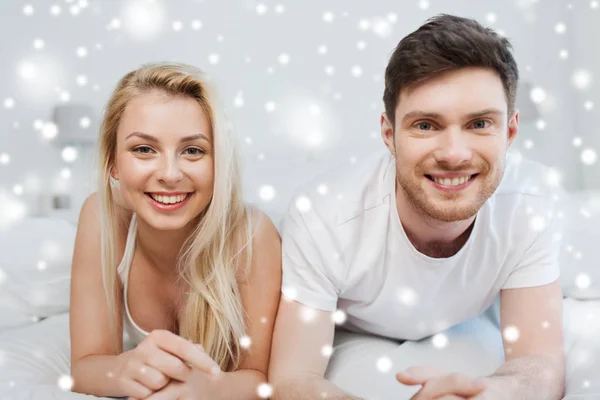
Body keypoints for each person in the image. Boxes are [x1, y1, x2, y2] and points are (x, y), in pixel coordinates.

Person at [269, 14, 565, 400]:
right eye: (426, 125)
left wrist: (491, 393)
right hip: (357, 329)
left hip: (473, 317)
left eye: (479, 124)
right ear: (389, 135)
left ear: (509, 132)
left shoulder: (532, 200)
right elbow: (292, 379)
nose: (454, 155)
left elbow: (540, 361)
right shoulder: (322, 216)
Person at [69, 62, 281, 399]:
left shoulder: (253, 235)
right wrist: (123, 370)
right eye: (144, 149)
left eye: (193, 150)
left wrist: (207, 389)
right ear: (112, 162)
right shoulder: (101, 216)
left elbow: (262, 378)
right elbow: (85, 365)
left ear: (219, 162)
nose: (169, 174)